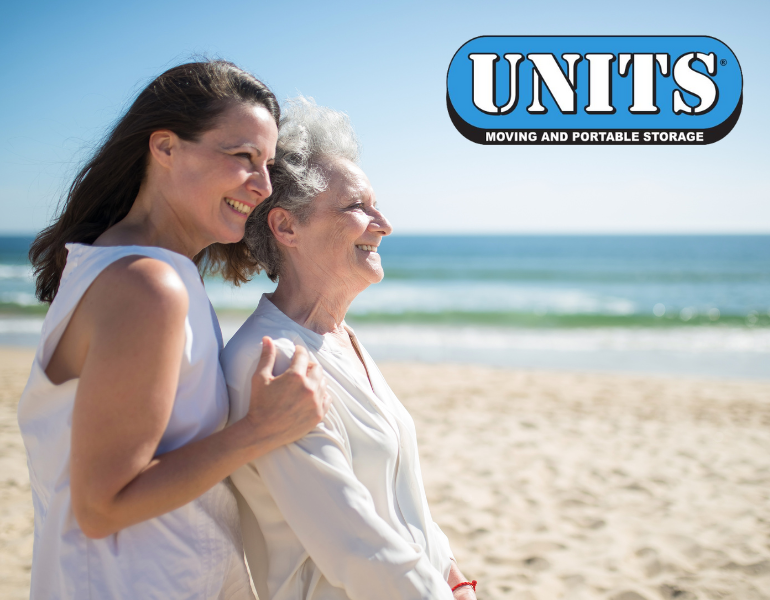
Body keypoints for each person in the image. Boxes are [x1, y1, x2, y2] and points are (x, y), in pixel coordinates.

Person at [18, 61, 329, 599]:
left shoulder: (134, 269)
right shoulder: (148, 286)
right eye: (242, 157)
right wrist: (261, 428)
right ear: (165, 148)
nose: (261, 186)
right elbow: (102, 506)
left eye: (268, 165)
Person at [222, 98, 478, 600]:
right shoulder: (268, 362)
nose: (383, 224)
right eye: (357, 207)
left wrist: (455, 577)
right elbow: (357, 548)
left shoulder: (340, 337)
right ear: (286, 227)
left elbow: (406, 505)